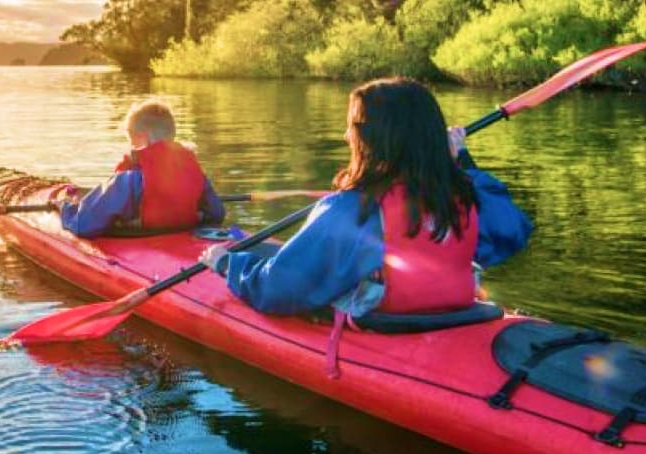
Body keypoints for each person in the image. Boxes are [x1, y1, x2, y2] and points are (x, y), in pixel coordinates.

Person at [200, 77, 533, 321]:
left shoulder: (350, 210)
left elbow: (277, 290)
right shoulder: (462, 197)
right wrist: (460, 161)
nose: (347, 135)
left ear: (372, 139)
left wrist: (226, 263)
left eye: (353, 127)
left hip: (384, 325)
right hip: (458, 315)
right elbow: (512, 229)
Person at [55, 100, 227, 238]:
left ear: (143, 139)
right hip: (183, 242)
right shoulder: (196, 173)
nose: (131, 146)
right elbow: (217, 213)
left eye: (132, 140)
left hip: (144, 241)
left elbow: (83, 225)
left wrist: (65, 207)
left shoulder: (128, 180)